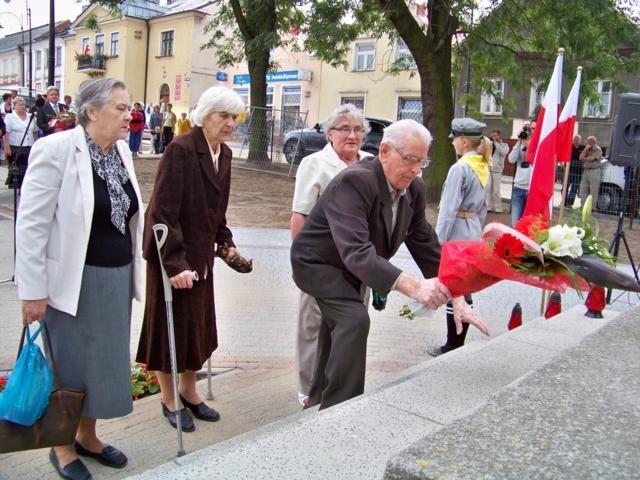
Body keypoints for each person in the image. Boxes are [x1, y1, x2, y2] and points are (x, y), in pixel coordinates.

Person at [290, 119, 489, 410]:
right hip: (318, 265)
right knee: (353, 320)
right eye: (410, 159)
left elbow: (428, 247)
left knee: (338, 327)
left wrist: (457, 297)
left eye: (422, 161)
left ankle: (319, 396)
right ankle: (340, 412)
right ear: (384, 151)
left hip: (351, 268)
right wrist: (415, 287)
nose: (416, 170)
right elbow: (357, 251)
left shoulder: (414, 189)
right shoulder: (355, 181)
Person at [15, 78, 144, 480]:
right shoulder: (55, 150)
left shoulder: (122, 150)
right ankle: (62, 446)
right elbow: (32, 225)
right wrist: (32, 292)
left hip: (116, 277)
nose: (130, 115)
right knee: (69, 366)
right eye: (121, 108)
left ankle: (88, 436)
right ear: (92, 111)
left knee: (103, 365)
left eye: (130, 108)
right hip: (72, 282)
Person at [136, 86, 251, 432]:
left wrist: (226, 244)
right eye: (224, 116)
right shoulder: (181, 150)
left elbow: (216, 211)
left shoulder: (225, 154)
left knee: (197, 327)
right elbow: (161, 212)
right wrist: (174, 264)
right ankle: (169, 398)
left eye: (235, 117)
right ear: (205, 115)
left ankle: (189, 391)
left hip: (201, 257)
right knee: (168, 329)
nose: (230, 123)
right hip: (172, 257)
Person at [290, 103, 372, 407]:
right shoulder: (315, 164)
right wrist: (302, 265)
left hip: (358, 264)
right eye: (344, 129)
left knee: (350, 327)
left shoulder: (370, 163)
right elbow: (300, 216)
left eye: (357, 129)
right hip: (321, 264)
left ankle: (339, 389)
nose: (352, 135)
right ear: (330, 134)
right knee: (313, 326)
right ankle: (308, 389)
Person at [426, 118, 492, 357]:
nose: (453, 143)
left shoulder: (461, 168)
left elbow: (448, 208)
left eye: (454, 139)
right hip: (472, 230)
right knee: (464, 288)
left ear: (464, 141)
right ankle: (456, 342)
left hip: (456, 233)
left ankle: (451, 345)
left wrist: (438, 240)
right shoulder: (483, 166)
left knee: (455, 288)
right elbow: (485, 207)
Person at [3, 96, 37, 186]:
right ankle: (17, 187)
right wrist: (7, 148)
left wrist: (36, 144)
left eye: (24, 105)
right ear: (14, 106)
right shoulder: (10, 117)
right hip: (15, 147)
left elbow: (35, 132)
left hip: (29, 146)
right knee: (17, 170)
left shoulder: (31, 116)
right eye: (20, 105)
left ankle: (26, 187)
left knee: (28, 168)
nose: (22, 107)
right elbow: (5, 133)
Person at [507, 120, 536, 225]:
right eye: (531, 129)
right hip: (519, 188)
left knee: (529, 224)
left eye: (534, 129)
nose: (533, 131)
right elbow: (511, 159)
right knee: (515, 223)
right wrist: (519, 142)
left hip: (532, 189)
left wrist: (530, 146)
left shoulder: (540, 144)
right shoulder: (521, 144)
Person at [486, 129, 509, 213]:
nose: (493, 137)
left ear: (499, 136)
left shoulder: (504, 145)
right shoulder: (490, 144)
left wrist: (496, 143)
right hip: (489, 168)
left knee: (496, 190)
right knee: (489, 189)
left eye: (495, 135)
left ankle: (498, 208)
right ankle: (489, 207)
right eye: (492, 135)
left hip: (497, 169)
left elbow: (503, 152)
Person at [579, 135, 602, 207]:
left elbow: (592, 158)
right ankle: (583, 206)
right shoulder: (587, 149)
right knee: (583, 189)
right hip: (586, 170)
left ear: (593, 142)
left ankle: (592, 207)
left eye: (588, 141)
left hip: (594, 171)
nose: (587, 143)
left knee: (593, 190)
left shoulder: (598, 149)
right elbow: (580, 157)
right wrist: (585, 150)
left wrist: (584, 159)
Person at [565, 135, 585, 208]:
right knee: (565, 186)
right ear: (573, 140)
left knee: (574, 188)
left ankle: (569, 203)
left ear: (580, 141)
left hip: (578, 171)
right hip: (569, 170)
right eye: (575, 140)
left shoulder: (583, 148)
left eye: (578, 140)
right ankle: (564, 202)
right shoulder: (569, 146)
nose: (576, 142)